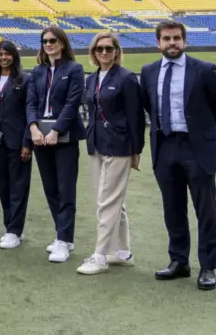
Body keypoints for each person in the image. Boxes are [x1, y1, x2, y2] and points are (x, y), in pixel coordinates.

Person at [141, 20, 216, 291]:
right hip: (165, 145)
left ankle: (207, 267)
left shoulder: (203, 70)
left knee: (206, 210)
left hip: (196, 147)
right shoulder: (148, 71)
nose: (172, 43)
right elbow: (149, 104)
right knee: (173, 208)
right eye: (166, 39)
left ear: (184, 41)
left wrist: (200, 129)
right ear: (158, 43)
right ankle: (179, 261)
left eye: (177, 38)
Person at [77, 32, 145, 275]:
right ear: (93, 52)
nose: (104, 52)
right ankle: (122, 251)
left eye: (109, 48)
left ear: (117, 51)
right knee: (111, 200)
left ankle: (100, 255)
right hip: (97, 145)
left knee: (107, 201)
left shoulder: (126, 78)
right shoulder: (91, 79)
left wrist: (136, 150)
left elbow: (136, 116)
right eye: (99, 48)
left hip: (119, 146)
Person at [26, 25, 85, 263]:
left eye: (52, 40)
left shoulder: (74, 69)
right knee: (50, 187)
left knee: (65, 188)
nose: (48, 44)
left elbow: (73, 103)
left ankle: (63, 239)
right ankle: (63, 235)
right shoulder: (37, 72)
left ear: (62, 42)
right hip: (40, 134)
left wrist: (57, 130)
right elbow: (30, 102)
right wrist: (33, 127)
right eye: (44, 41)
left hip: (64, 136)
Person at [0, 40, 33, 249]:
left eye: (8, 54)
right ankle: (8, 227)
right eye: (0, 54)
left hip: (17, 141)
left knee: (18, 187)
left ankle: (15, 230)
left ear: (14, 56)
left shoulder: (25, 79)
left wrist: (27, 143)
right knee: (3, 185)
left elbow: (29, 112)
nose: (4, 57)